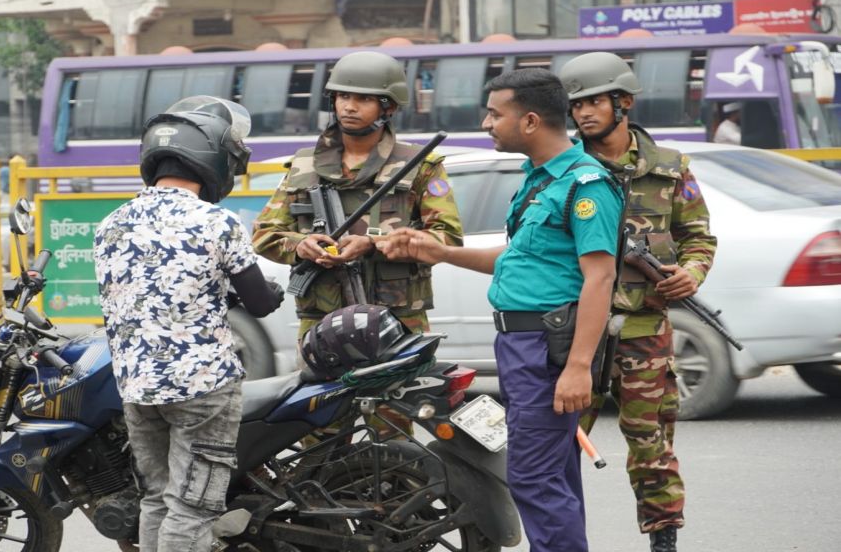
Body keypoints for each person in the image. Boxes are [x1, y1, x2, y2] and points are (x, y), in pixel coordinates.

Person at [377, 68, 622, 552]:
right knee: (552, 476)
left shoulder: (585, 185)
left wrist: (577, 368)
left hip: (548, 349)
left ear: (530, 120)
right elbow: (518, 263)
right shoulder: (538, 179)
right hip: (519, 346)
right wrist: (440, 252)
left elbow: (601, 278)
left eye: (495, 113)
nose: (487, 123)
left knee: (531, 477)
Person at [93, 96, 284, 552]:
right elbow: (259, 302)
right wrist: (270, 294)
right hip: (202, 389)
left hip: (138, 389)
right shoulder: (217, 222)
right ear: (214, 160)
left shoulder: (110, 225)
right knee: (193, 507)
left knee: (158, 499)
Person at [251, 50, 463, 435]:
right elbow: (264, 234)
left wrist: (373, 242)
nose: (349, 106)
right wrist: (302, 245)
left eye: (363, 98)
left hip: (395, 320)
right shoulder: (304, 166)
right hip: (323, 321)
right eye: (342, 96)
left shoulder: (420, 165)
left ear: (388, 107)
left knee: (392, 429)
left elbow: (446, 237)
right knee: (319, 429)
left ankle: (399, 495)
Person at [560, 51, 718, 552]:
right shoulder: (563, 168)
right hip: (574, 329)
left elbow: (698, 237)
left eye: (595, 102)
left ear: (622, 102)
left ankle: (663, 540)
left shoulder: (670, 168)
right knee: (557, 445)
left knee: (650, 445)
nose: (584, 113)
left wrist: (689, 275)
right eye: (577, 104)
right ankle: (561, 539)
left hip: (644, 329)